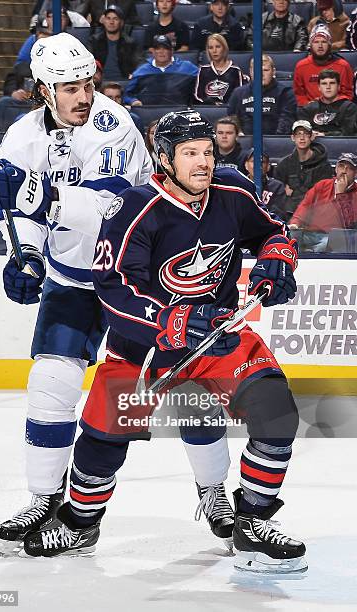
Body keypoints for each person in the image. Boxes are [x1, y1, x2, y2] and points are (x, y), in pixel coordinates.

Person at [20, 110, 307, 576]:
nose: (203, 163)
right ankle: (79, 523)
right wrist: (174, 320)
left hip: (217, 339)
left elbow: (273, 231)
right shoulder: (136, 207)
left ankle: (251, 522)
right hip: (144, 347)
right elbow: (113, 288)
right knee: (102, 442)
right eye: (190, 153)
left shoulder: (232, 194)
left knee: (276, 412)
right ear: (165, 159)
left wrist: (278, 260)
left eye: (208, 152)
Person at [0, 32, 153, 557]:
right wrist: (24, 253)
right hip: (72, 278)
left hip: (130, 278)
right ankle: (45, 498)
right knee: (50, 383)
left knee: (173, 391)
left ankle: (215, 493)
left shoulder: (112, 122)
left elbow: (113, 206)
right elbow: (18, 213)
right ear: (42, 89)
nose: (83, 96)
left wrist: (42, 196)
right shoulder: (19, 138)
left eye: (86, 84)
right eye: (69, 87)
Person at [274, 119, 333, 222]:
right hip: (289, 215)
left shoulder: (324, 165)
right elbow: (278, 194)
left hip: (315, 216)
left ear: (312, 137)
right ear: (293, 138)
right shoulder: (283, 165)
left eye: (306, 134)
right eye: (298, 134)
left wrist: (295, 191)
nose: (302, 138)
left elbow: (321, 194)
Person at [228, 54, 297, 134]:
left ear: (273, 71)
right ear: (250, 72)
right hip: (245, 141)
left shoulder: (286, 93)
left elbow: (286, 122)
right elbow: (232, 118)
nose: (261, 74)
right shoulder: (238, 93)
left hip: (274, 142)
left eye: (266, 70)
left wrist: (272, 142)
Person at [289, 152, 357, 232]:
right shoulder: (322, 185)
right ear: (336, 169)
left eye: (349, 168)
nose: (344, 171)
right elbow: (305, 206)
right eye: (341, 166)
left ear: (355, 173)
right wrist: (295, 223)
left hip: (340, 237)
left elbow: (349, 224)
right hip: (312, 234)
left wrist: (341, 195)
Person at [124, 34, 198, 106]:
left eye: (165, 48)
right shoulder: (141, 71)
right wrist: (133, 101)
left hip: (179, 112)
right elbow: (127, 94)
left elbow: (203, 81)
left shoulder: (187, 67)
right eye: (157, 48)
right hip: (149, 113)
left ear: (171, 51)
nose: (161, 51)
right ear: (152, 51)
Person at [294, 24, 353, 106]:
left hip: (337, 109)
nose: (320, 46)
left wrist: (333, 104)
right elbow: (298, 94)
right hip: (310, 110)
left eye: (324, 42)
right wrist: (308, 104)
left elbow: (348, 94)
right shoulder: (301, 66)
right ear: (310, 45)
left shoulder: (343, 66)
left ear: (329, 45)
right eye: (316, 42)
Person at [89, 5, 143, 80]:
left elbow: (138, 62)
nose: (111, 22)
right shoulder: (94, 41)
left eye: (115, 19)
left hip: (124, 81)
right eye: (108, 18)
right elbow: (88, 62)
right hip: (100, 83)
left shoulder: (130, 43)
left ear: (121, 22)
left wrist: (134, 74)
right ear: (103, 21)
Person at [298, 69, 357, 136]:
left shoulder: (349, 108)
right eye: (324, 83)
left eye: (332, 83)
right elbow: (301, 132)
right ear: (319, 87)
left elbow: (348, 133)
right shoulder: (308, 109)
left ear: (338, 87)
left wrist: (324, 134)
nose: (328, 87)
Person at [194, 33, 249, 105]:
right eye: (211, 48)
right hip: (208, 110)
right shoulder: (203, 70)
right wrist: (211, 104)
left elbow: (239, 96)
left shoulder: (235, 70)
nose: (214, 51)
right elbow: (197, 96)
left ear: (224, 48)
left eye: (218, 47)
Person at [244, 148, 286, 216]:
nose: (257, 165)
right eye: (253, 161)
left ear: (268, 166)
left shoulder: (277, 186)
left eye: (262, 162)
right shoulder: (240, 186)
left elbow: (278, 213)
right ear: (246, 165)